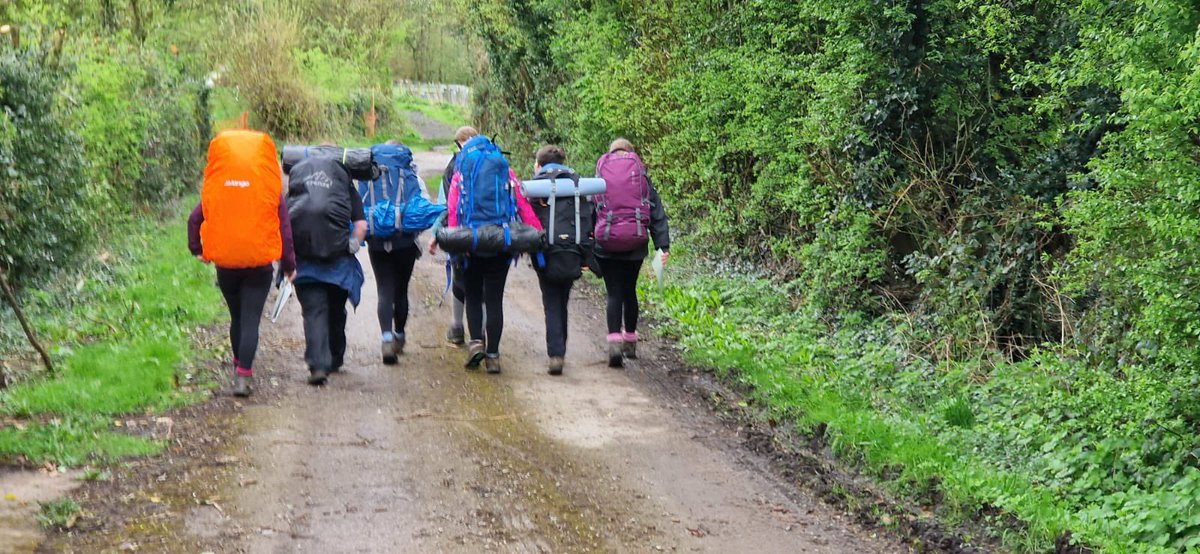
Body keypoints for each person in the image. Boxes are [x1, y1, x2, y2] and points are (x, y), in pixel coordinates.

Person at [188, 129, 296, 397]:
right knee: (250, 320)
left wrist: (197, 250)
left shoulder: (218, 188)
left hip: (226, 265)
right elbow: (284, 228)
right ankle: (243, 375)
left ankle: (238, 365)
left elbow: (194, 219)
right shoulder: (269, 188)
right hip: (259, 266)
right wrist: (289, 265)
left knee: (236, 317)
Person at [431, 134, 543, 374]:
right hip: (501, 241)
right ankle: (493, 355)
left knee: (472, 295)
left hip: (471, 242)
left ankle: (475, 344)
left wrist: (456, 242)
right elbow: (522, 204)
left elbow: (452, 208)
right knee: (494, 299)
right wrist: (537, 232)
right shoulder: (505, 172)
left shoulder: (462, 172)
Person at [286, 149, 367, 385]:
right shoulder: (345, 185)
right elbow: (360, 225)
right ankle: (335, 357)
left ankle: (317, 365)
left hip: (305, 263)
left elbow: (284, 220)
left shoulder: (297, 181)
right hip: (338, 263)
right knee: (335, 310)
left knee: (313, 312)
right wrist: (353, 244)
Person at [592, 138, 670, 368]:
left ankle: (614, 343)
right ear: (631, 153)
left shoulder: (600, 175)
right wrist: (662, 246)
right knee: (629, 291)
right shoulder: (641, 177)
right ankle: (630, 342)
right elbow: (656, 213)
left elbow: (590, 208)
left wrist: (586, 245)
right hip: (635, 243)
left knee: (614, 293)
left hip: (606, 244)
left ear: (610, 152)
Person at [363, 140, 432, 364]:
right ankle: (399, 335)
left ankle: (385, 339)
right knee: (401, 290)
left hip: (377, 242)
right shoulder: (411, 174)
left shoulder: (369, 175)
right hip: (405, 243)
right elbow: (423, 208)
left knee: (384, 288)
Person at [528, 145, 593, 375]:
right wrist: (586, 255)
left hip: (546, 252)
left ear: (539, 164)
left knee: (550, 300)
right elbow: (587, 218)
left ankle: (556, 354)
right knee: (562, 299)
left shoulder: (537, 186)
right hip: (572, 251)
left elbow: (529, 219)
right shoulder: (576, 183)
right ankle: (560, 349)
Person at [437, 126, 478, 346]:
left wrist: (440, 232)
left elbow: (446, 205)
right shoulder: (492, 160)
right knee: (482, 283)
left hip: (460, 232)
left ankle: (457, 327)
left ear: (459, 142)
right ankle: (481, 335)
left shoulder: (453, 166)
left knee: (460, 279)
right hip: (490, 231)